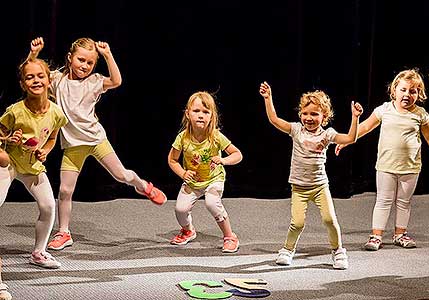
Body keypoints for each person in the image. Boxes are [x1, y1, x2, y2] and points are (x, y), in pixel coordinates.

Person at [28, 37, 167, 251]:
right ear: (70, 58)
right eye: (80, 60)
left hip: (95, 140)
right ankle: (64, 232)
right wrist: (34, 54)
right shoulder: (57, 80)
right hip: (73, 145)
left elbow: (117, 80)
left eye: (90, 63)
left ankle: (144, 186)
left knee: (121, 175)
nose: (84, 66)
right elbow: (32, 74)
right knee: (65, 191)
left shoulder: (95, 82)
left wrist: (108, 55)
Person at [259, 81, 363, 269]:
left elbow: (350, 138)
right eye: (305, 113)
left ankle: (338, 251)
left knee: (330, 220)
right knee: (297, 223)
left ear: (324, 117)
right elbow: (274, 119)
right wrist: (268, 98)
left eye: (314, 114)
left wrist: (355, 117)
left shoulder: (327, 134)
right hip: (299, 187)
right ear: (300, 115)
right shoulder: (296, 130)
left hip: (319, 186)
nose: (309, 117)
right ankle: (287, 250)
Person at [335, 69, 429, 251]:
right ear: (394, 90)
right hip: (386, 166)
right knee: (383, 200)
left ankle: (400, 234)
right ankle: (376, 236)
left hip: (410, 167)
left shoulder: (420, 114)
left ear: (419, 94)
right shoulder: (384, 110)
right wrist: (346, 140)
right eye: (403, 90)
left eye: (413, 91)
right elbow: (366, 127)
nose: (407, 94)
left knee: (404, 201)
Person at [0, 58, 68, 268]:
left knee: (48, 206)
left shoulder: (56, 112)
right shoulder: (15, 111)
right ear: (23, 84)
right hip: (9, 164)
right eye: (29, 77)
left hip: (33, 167)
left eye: (40, 76)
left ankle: (39, 252)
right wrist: (7, 139)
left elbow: (52, 137)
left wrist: (45, 151)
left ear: (49, 80)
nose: (36, 81)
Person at [168, 91, 243, 253]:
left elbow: (237, 155)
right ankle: (188, 230)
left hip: (213, 178)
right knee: (180, 209)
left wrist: (223, 160)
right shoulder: (182, 138)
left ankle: (230, 236)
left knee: (212, 203)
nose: (200, 115)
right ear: (188, 114)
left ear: (212, 116)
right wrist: (182, 173)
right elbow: (172, 160)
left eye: (205, 112)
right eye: (196, 111)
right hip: (193, 182)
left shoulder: (216, 136)